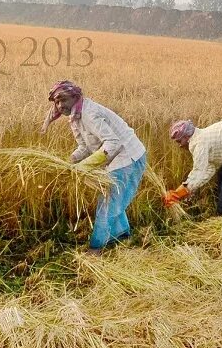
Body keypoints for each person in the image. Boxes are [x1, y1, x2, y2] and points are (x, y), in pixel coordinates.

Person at [41, 80, 147, 253]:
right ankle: (123, 236)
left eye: (63, 100)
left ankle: (96, 247)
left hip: (128, 157)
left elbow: (113, 143)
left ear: (75, 97)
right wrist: (70, 161)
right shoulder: (75, 117)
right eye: (56, 102)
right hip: (117, 159)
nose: (60, 105)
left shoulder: (89, 114)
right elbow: (84, 147)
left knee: (107, 202)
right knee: (113, 200)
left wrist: (84, 166)